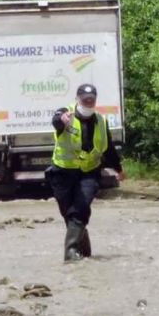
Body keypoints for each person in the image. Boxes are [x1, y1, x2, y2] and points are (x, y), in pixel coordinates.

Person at [47, 83, 124, 261]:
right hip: (63, 172)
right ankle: (84, 248)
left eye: (91, 100)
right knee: (68, 213)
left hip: (88, 173)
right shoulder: (66, 113)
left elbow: (108, 148)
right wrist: (61, 120)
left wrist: (118, 169)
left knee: (80, 208)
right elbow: (56, 120)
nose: (88, 103)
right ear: (78, 99)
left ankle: (70, 253)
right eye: (85, 99)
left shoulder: (100, 120)